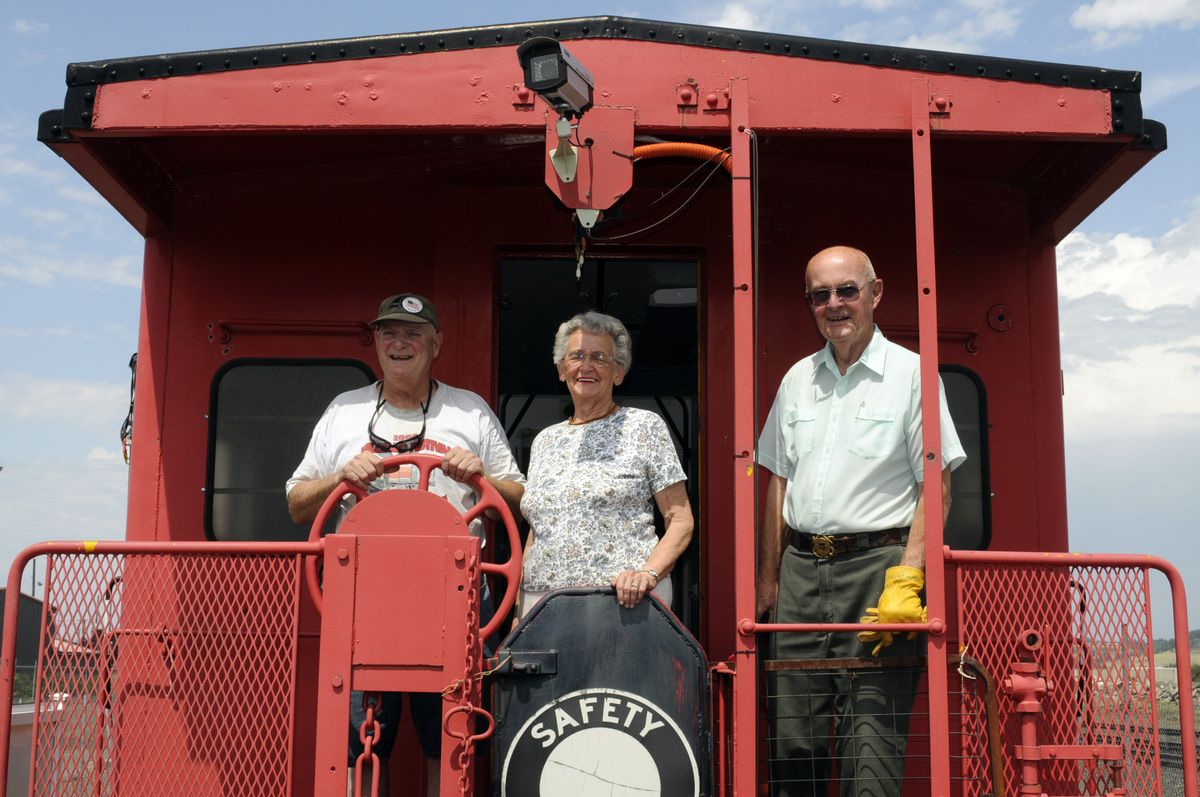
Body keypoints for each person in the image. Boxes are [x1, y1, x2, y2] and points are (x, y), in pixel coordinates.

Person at [286, 292, 524, 797]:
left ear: (436, 344)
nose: (400, 343)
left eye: (414, 333)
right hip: (362, 599)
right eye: (389, 332)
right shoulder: (343, 411)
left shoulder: (470, 411)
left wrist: (480, 473)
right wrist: (338, 478)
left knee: (451, 737)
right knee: (360, 741)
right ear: (375, 342)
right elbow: (297, 502)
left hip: (454, 599)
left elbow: (519, 496)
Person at [756, 246, 966, 797]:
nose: (834, 304)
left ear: (876, 293)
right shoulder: (796, 380)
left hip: (880, 570)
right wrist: (769, 581)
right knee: (792, 737)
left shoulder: (912, 375)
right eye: (819, 295)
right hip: (800, 570)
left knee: (870, 741)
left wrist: (908, 578)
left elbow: (936, 486)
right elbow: (778, 483)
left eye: (847, 290)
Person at [518, 311, 694, 617]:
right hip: (542, 606)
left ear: (619, 372)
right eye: (577, 356)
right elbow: (538, 529)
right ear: (562, 369)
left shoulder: (644, 427)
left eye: (600, 357)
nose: (586, 366)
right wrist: (518, 612)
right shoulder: (544, 440)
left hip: (623, 602)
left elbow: (680, 520)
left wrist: (647, 575)